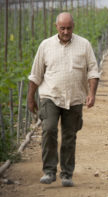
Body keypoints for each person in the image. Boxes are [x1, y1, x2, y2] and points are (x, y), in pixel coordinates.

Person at [27, 12, 99, 187]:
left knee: (69, 136)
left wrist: (92, 93)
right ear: (56, 26)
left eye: (69, 28)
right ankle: (49, 171)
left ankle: (66, 174)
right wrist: (30, 97)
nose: (66, 31)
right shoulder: (46, 46)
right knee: (49, 130)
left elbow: (93, 71)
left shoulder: (84, 45)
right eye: (62, 28)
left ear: (73, 26)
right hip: (50, 96)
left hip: (74, 98)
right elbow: (36, 74)